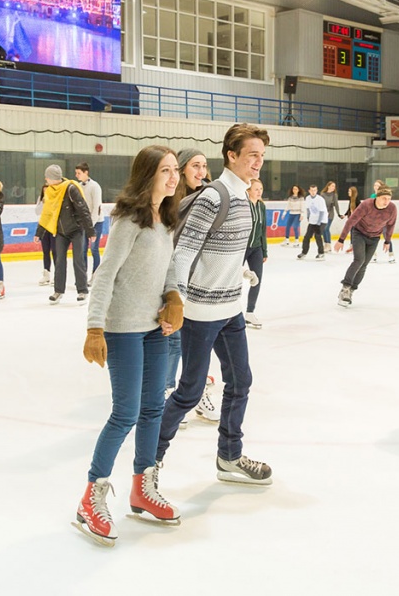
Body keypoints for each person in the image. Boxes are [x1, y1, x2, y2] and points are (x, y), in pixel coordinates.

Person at [74, 145, 183, 546]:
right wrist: (94, 328)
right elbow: (104, 275)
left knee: (154, 407)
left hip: (155, 327)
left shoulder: (166, 217)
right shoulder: (129, 219)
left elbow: (168, 267)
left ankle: (142, 487)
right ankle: (91, 497)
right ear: (147, 175)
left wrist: (173, 297)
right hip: (122, 328)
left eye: (175, 170)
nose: (173, 178)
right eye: (165, 171)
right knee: (126, 413)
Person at [157, 123, 273, 486]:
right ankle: (149, 461)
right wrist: (176, 302)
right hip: (201, 314)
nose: (258, 162)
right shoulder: (214, 196)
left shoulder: (244, 198)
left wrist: (239, 270)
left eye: (262, 156)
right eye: (252, 155)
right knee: (190, 391)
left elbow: (218, 250)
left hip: (230, 310)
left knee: (241, 381)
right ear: (232, 155)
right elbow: (183, 254)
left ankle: (230, 457)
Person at [164, 148, 217, 426]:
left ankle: (195, 393)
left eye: (205, 166)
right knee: (174, 338)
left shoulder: (209, 197)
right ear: (182, 168)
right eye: (195, 166)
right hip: (171, 274)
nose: (201, 172)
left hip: (202, 277)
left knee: (200, 341)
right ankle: (170, 392)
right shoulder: (169, 198)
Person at [38, 164, 94, 304]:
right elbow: (47, 213)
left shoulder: (71, 188)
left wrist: (90, 230)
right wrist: (39, 232)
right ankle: (58, 291)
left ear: (53, 178)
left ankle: (82, 291)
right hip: (61, 232)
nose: (46, 179)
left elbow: (83, 209)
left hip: (76, 230)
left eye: (48, 177)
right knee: (59, 261)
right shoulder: (50, 191)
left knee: (78, 260)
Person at [334, 184, 397, 307]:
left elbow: (391, 225)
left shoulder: (392, 209)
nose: (387, 202)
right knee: (359, 260)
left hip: (374, 238)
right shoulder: (366, 205)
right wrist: (341, 239)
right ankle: (345, 288)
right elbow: (351, 221)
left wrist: (387, 241)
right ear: (377, 197)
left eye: (389, 199)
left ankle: (351, 291)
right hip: (359, 234)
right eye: (384, 198)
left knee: (364, 266)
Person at [243, 178, 267, 329]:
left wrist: (264, 250)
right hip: (241, 248)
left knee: (257, 280)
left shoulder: (261, 206)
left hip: (256, 248)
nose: (259, 192)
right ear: (248, 190)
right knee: (232, 280)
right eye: (256, 189)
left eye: (261, 189)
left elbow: (264, 229)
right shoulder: (243, 205)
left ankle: (250, 312)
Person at [76, 162, 104, 281]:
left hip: (96, 222)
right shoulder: (77, 186)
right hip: (83, 223)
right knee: (82, 249)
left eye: (79, 173)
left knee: (94, 248)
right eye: (76, 173)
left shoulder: (95, 186)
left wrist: (90, 227)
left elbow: (96, 208)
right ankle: (83, 276)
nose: (76, 175)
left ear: (86, 172)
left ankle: (95, 275)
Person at [297, 184, 327, 260]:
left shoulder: (320, 199)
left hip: (322, 221)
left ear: (317, 191)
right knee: (307, 237)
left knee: (317, 236)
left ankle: (321, 253)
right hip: (312, 221)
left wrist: (318, 223)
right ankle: (304, 252)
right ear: (309, 191)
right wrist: (308, 217)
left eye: (315, 190)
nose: (313, 192)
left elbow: (322, 212)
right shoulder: (307, 198)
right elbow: (308, 209)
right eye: (312, 190)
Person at [33, 193, 55, 286]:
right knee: (45, 251)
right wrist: (43, 202)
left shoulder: (56, 196)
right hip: (44, 228)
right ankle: (46, 273)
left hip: (54, 228)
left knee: (56, 252)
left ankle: (57, 275)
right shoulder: (41, 198)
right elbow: (38, 212)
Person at [320, 181, 342, 248]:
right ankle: (326, 244)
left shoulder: (334, 195)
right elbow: (320, 205)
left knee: (326, 228)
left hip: (330, 214)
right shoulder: (322, 194)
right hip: (323, 215)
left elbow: (336, 205)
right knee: (323, 229)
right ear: (328, 186)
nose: (333, 187)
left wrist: (339, 214)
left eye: (334, 186)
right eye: (332, 186)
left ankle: (328, 244)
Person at [343, 186, 360, 253]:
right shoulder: (351, 200)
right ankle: (352, 246)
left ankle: (354, 246)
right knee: (352, 232)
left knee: (354, 232)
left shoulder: (357, 200)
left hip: (356, 220)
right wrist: (345, 214)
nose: (348, 192)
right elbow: (349, 209)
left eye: (349, 191)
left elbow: (360, 210)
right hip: (351, 219)